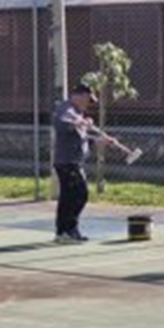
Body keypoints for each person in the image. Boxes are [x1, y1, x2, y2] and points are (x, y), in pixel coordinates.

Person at [52, 82, 100, 243]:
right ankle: (66, 231)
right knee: (77, 195)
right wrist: (79, 123)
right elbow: (60, 124)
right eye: (88, 99)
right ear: (79, 96)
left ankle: (66, 231)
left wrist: (98, 141)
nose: (89, 104)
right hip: (67, 162)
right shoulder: (66, 109)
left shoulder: (78, 113)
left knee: (73, 196)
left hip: (75, 161)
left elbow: (81, 139)